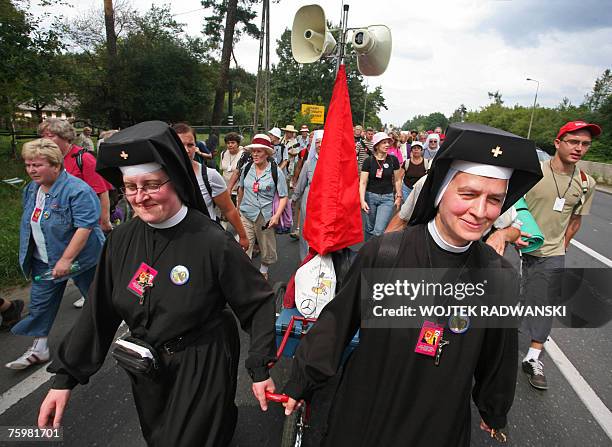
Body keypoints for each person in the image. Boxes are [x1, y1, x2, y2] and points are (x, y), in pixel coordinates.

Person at [282, 122, 544, 446]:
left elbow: (499, 355)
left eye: (494, 200)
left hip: (437, 424)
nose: (480, 211)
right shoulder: (387, 252)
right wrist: (301, 383)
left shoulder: (499, 277)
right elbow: (337, 323)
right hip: (366, 414)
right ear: (441, 190)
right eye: (468, 194)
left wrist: (494, 409)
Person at [37, 121, 277, 446]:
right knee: (159, 436)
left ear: (175, 181)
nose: (140, 197)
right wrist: (64, 379)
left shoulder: (210, 240)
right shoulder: (120, 240)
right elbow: (99, 311)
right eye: (130, 187)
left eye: (151, 185)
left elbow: (257, 301)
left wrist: (259, 365)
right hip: (146, 364)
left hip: (201, 360)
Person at [6, 138, 104, 370]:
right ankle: (39, 349)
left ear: (56, 165)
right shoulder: (32, 189)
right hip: (44, 260)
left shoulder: (77, 190)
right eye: (28, 165)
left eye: (37, 165)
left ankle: (114, 337)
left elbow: (85, 226)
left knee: (98, 300)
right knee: (40, 305)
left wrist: (67, 260)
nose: (31, 170)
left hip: (83, 261)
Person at [519, 120, 599, 390]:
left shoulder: (586, 183)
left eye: (585, 144)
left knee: (544, 303)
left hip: (550, 253)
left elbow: (575, 220)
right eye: (573, 142)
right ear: (557, 142)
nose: (579, 148)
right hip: (513, 246)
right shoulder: (532, 171)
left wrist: (561, 246)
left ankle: (533, 357)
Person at [39, 119, 114, 308]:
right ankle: (91, 294)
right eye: (43, 136)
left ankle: (102, 301)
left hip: (87, 222)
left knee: (90, 263)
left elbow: (101, 191)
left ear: (65, 137)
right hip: (64, 225)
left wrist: (104, 220)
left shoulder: (83, 158)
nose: (45, 140)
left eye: (51, 136)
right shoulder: (48, 161)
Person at [172, 123, 249, 251]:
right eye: (180, 145)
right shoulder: (159, 176)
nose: (186, 149)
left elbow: (229, 209)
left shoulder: (209, 176)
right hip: (175, 243)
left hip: (204, 242)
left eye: (190, 145)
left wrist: (243, 236)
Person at [237, 134, 289, 280]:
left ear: (266, 153)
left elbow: (284, 196)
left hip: (266, 216)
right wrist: (238, 208)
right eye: (253, 151)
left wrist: (276, 215)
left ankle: (263, 271)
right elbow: (241, 189)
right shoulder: (247, 168)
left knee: (266, 248)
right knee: (243, 246)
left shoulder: (275, 171)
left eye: (259, 151)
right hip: (246, 213)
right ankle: (245, 275)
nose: (255, 154)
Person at [360, 131, 402, 240]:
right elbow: (363, 182)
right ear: (377, 145)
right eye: (384, 142)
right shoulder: (368, 161)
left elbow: (397, 180)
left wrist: (398, 196)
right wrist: (362, 200)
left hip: (387, 199)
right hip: (370, 197)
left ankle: (374, 254)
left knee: (379, 230)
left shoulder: (393, 160)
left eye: (388, 142)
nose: (387, 145)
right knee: (369, 228)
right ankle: (367, 252)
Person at [291, 130, 323, 260]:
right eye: (317, 142)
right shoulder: (309, 163)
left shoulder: (334, 164)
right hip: (309, 199)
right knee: (306, 230)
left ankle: (321, 258)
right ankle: (305, 259)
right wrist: (293, 199)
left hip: (325, 200)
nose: (320, 145)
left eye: (322, 142)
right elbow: (301, 184)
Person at [219, 132, 244, 204]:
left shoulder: (243, 154)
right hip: (225, 191)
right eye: (228, 143)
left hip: (238, 192)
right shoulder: (223, 153)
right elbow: (222, 171)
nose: (230, 145)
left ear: (238, 143)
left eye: (233, 143)